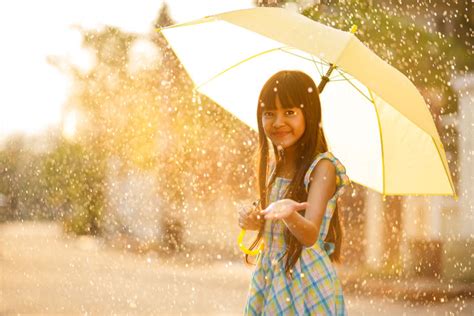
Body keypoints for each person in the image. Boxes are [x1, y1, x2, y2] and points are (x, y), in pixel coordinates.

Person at [238, 70, 350, 315]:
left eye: (289, 112)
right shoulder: (276, 166)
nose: (278, 122)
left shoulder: (322, 167)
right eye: (269, 113)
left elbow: (309, 234)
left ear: (308, 114)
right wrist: (254, 219)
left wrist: (289, 215)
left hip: (305, 278)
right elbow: (271, 219)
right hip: (273, 274)